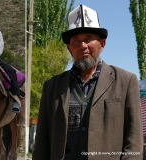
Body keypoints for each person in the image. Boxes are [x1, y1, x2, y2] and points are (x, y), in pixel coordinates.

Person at [32, 4, 143, 160]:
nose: (82, 45)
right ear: (70, 48)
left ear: (102, 44)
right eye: (76, 40)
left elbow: (134, 139)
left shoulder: (125, 81)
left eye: (88, 39)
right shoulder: (52, 87)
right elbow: (42, 141)